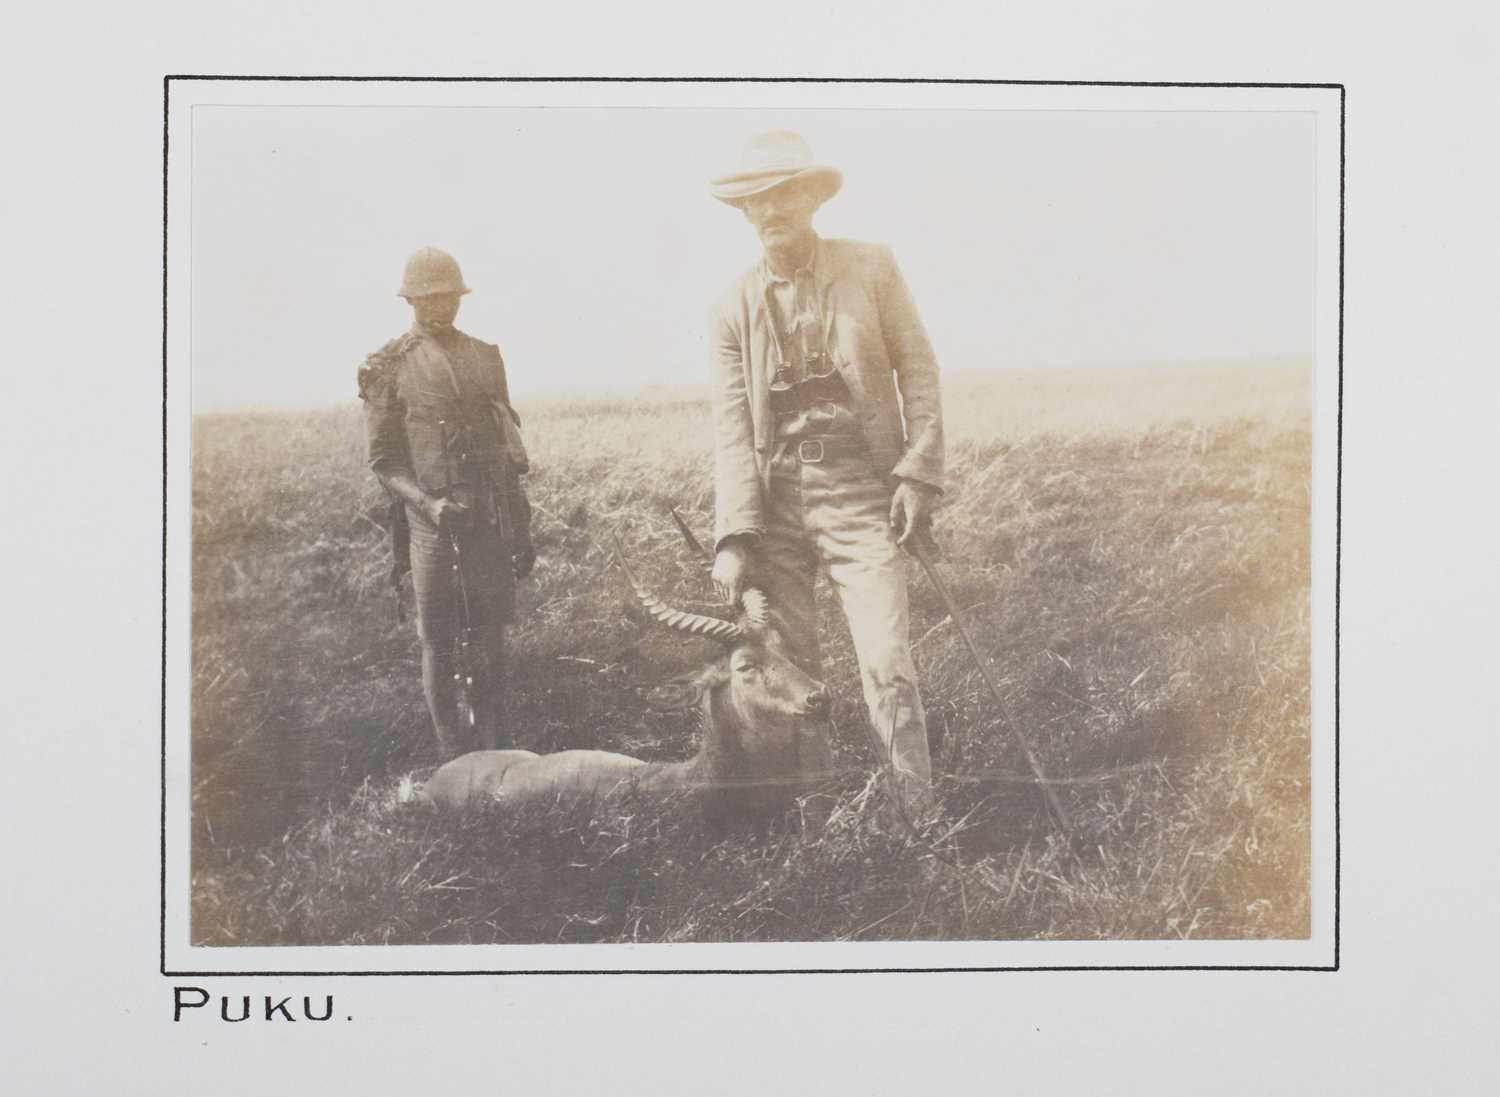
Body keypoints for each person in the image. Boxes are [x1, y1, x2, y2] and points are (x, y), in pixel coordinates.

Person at [706, 131, 945, 810]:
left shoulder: (872, 268)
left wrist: (915, 475)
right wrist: (733, 539)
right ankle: (819, 823)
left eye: (784, 193)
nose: (770, 209)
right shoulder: (730, 309)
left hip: (861, 489)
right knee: (794, 673)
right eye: (756, 200)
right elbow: (731, 430)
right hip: (776, 501)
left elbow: (919, 369)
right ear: (745, 213)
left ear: (812, 196)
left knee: (887, 663)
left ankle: (917, 819)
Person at [357, 247, 535, 758]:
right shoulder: (386, 366)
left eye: (449, 297)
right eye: (428, 298)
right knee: (439, 642)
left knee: (489, 639)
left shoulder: (485, 356)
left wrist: (519, 531)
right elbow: (383, 461)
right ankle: (453, 760)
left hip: (489, 523)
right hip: (431, 531)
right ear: (410, 299)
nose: (440, 307)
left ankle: (497, 749)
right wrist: (428, 506)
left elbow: (506, 450)